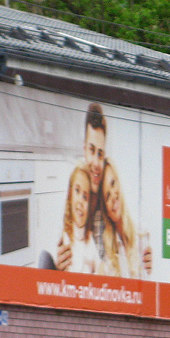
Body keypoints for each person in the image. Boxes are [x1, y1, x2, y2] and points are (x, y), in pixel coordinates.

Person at [57, 103, 109, 272]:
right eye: (91, 151)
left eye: (100, 154)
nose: (95, 162)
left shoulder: (108, 198)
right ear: (84, 149)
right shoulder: (72, 184)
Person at [99, 160, 151, 277]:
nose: (113, 196)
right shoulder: (109, 254)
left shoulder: (142, 233)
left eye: (113, 183)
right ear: (106, 211)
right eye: (107, 196)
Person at [59, 164, 98, 274]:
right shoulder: (64, 239)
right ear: (70, 195)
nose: (81, 201)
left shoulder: (90, 239)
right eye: (77, 191)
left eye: (85, 197)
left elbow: (100, 268)